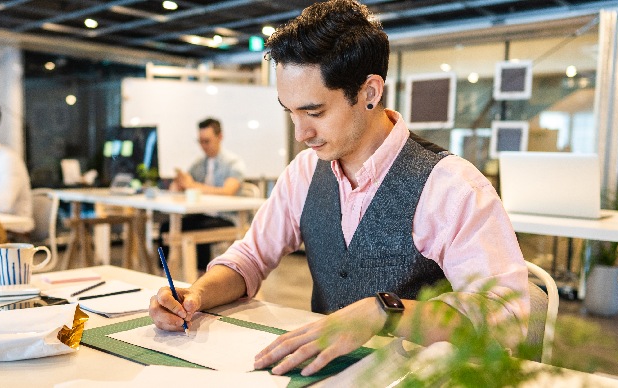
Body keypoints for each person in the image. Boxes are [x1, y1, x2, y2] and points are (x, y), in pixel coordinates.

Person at [148, 0, 529, 377]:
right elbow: (249, 258)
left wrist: (385, 310)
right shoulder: (304, 172)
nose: (301, 134)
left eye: (314, 113)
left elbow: (504, 317)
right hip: (327, 374)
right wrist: (197, 295)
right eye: (290, 112)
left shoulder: (450, 185)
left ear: (370, 93)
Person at [162, 118, 247, 269]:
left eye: (207, 141)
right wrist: (180, 183)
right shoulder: (199, 163)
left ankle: (200, 275)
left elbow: (228, 191)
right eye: (200, 141)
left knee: (195, 228)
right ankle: (164, 275)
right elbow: (186, 183)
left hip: (226, 217)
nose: (203, 146)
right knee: (166, 227)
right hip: (203, 215)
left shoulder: (234, 163)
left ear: (220, 137)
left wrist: (193, 186)